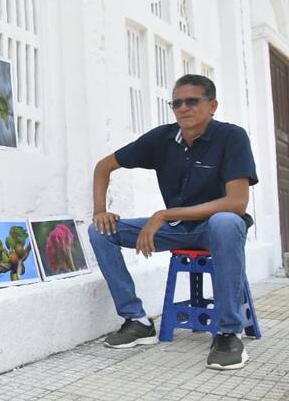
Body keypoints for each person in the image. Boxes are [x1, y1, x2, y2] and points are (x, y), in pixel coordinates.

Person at [88, 74, 257, 370]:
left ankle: (228, 333)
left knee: (225, 222)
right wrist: (100, 211)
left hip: (216, 230)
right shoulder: (162, 139)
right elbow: (103, 167)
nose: (183, 108)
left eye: (192, 101)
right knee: (99, 232)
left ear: (212, 105)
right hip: (177, 230)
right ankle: (137, 321)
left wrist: (164, 214)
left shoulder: (232, 137)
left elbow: (236, 202)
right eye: (176, 103)